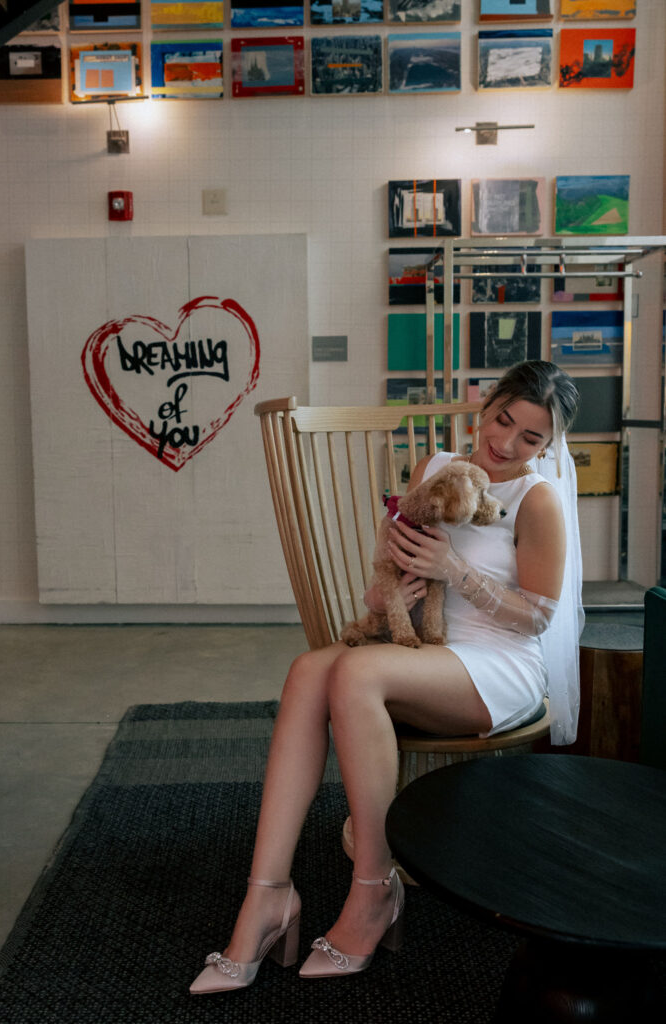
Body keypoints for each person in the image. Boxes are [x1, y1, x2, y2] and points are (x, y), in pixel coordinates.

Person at [189, 359, 582, 994]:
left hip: (497, 666)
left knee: (353, 672)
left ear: (549, 445)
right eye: (503, 420)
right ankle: (268, 894)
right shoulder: (435, 468)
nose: (505, 444)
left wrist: (457, 571)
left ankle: (372, 891)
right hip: (426, 650)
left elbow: (537, 618)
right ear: (487, 405)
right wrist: (387, 592)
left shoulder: (536, 500)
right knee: (309, 669)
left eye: (530, 438)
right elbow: (397, 566)